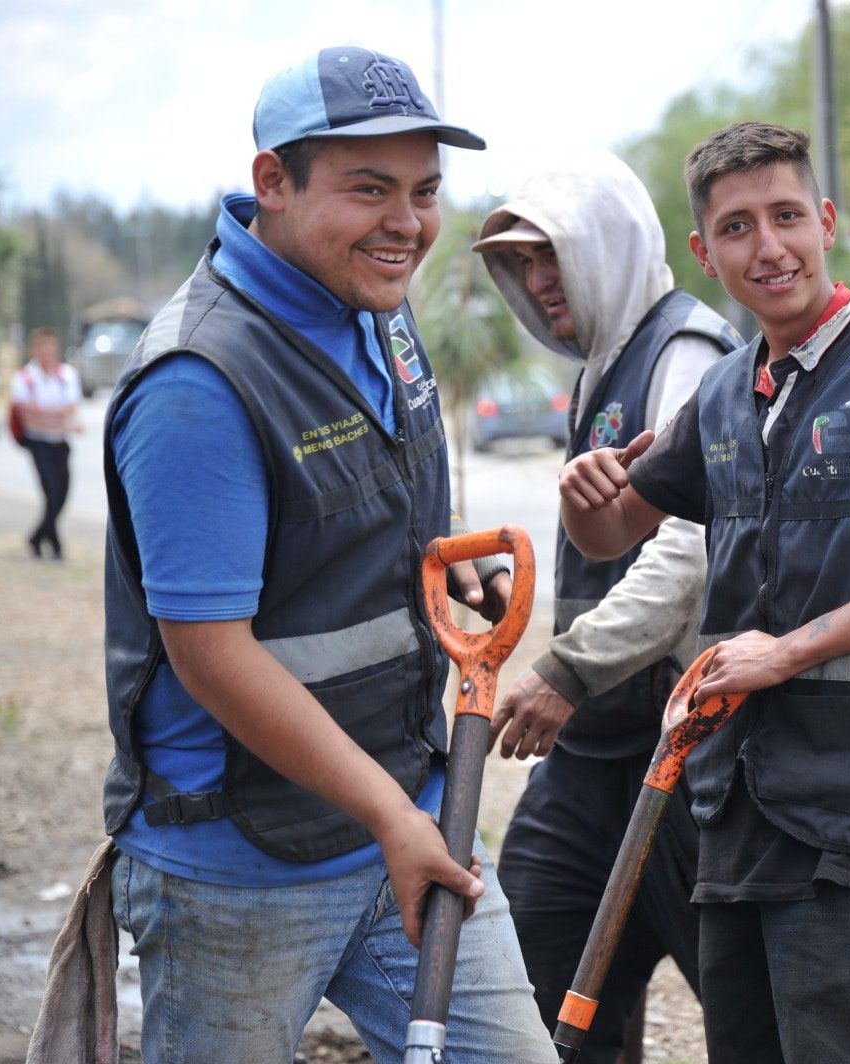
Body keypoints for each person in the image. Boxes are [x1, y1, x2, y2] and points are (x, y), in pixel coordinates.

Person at [92, 45, 554, 1063]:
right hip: (236, 865)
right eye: (369, 189)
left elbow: (366, 507)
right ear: (274, 182)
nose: (408, 224)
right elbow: (211, 650)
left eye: (426, 191)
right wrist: (393, 815)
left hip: (408, 807)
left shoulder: (376, 310)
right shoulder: (197, 379)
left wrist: (439, 561)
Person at [557, 122, 850, 1064]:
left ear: (827, 222)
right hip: (734, 807)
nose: (768, 247)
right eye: (736, 227)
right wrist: (582, 495)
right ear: (704, 252)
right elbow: (611, 533)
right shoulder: (722, 395)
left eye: (787, 216)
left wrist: (790, 652)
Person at [470, 151, 741, 1060]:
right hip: (591, 762)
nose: (539, 282)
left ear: (608, 246)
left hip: (682, 757)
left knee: (751, 1016)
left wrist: (569, 666)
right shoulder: (604, 365)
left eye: (552, 255)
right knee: (540, 998)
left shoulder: (685, 353)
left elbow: (691, 549)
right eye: (522, 264)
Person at [10, 326, 81, 559]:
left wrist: (48, 416)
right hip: (38, 443)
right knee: (50, 492)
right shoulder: (24, 378)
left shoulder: (67, 375)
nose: (46, 351)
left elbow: (70, 408)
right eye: (41, 346)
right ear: (34, 349)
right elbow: (29, 416)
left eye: (50, 346)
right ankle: (55, 544)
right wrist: (59, 418)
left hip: (60, 443)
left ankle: (37, 536)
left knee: (62, 493)